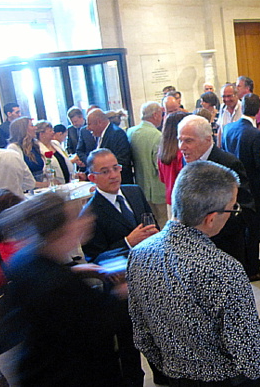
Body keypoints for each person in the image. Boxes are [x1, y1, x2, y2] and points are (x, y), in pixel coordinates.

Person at [128, 161, 260, 386]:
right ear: (211, 218)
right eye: (233, 208)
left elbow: (142, 335)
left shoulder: (138, 254)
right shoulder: (223, 269)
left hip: (173, 377)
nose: (234, 213)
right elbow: (253, 359)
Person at [0, 192, 128, 386]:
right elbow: (100, 323)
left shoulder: (24, 259)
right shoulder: (60, 286)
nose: (84, 221)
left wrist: (76, 270)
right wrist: (121, 292)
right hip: (71, 375)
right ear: (58, 231)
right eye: (75, 218)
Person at [81, 148, 161, 386]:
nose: (114, 175)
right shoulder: (90, 213)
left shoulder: (134, 192)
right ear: (92, 178)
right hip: (121, 288)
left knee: (156, 331)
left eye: (116, 168)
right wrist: (127, 242)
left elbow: (151, 224)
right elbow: (94, 260)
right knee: (129, 341)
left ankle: (162, 373)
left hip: (149, 276)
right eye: (105, 171)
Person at [178, 115, 259, 275]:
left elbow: (246, 210)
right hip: (195, 251)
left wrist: (211, 226)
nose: (182, 146)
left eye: (188, 141)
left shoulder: (228, 164)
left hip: (225, 249)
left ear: (207, 139)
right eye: (179, 140)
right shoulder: (187, 160)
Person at [221, 93, 260, 281]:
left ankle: (249, 260)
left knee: (243, 229)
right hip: (254, 190)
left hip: (235, 188)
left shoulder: (228, 129)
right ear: (258, 110)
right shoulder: (257, 135)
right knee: (255, 230)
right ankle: (251, 269)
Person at [127, 101, 168, 225]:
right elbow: (159, 166)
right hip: (158, 189)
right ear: (155, 115)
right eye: (161, 114)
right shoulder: (158, 136)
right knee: (163, 222)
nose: (162, 118)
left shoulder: (131, 132)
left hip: (140, 187)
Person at [82, 109, 134, 184]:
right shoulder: (101, 135)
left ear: (99, 122)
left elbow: (122, 162)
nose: (87, 128)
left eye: (89, 124)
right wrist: (86, 174)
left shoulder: (116, 134)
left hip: (118, 185)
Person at [158, 112, 188, 212]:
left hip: (170, 199)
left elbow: (162, 178)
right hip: (183, 200)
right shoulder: (182, 154)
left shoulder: (162, 151)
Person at [7, 117, 46, 183]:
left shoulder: (34, 146)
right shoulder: (14, 148)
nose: (35, 128)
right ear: (23, 130)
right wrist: (42, 184)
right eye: (32, 126)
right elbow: (20, 176)